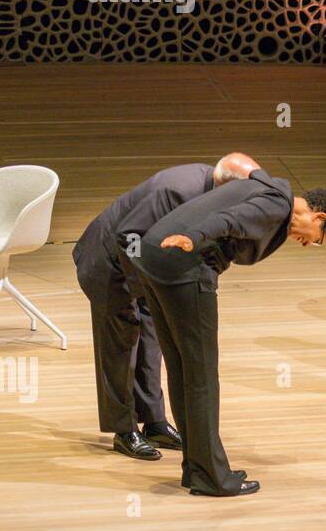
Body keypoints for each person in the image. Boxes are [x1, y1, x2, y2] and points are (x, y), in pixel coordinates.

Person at [128, 169, 326, 496]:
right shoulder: (278, 204)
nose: (307, 244)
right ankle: (211, 477)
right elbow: (230, 218)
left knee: (182, 368)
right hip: (184, 262)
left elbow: (240, 193)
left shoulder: (268, 187)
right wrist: (194, 236)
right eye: (316, 239)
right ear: (318, 216)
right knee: (201, 375)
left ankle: (195, 468)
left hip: (153, 255)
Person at [73, 153, 259, 460]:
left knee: (152, 338)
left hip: (144, 266)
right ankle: (123, 429)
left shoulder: (210, 188)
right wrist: (143, 284)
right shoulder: (176, 190)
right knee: (120, 343)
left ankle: (154, 422)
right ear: (226, 185)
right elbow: (128, 237)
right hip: (110, 263)